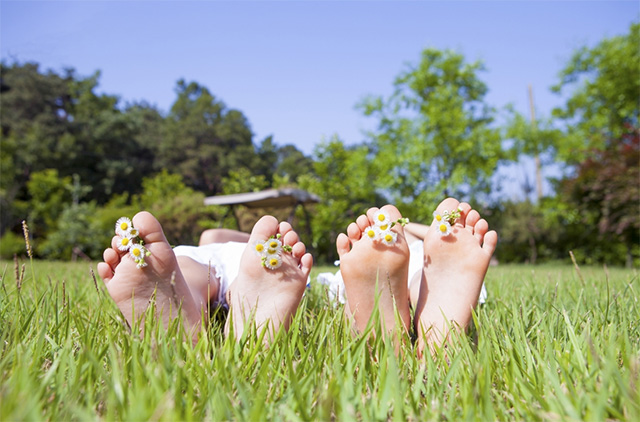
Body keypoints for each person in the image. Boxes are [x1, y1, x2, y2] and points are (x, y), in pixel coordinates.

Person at [97, 197, 496, 355]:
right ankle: (431, 325)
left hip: (266, 263)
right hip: (338, 281)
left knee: (200, 259)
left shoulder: (411, 235)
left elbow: (219, 238)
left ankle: (194, 303)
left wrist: (415, 231)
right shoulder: (408, 240)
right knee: (416, 263)